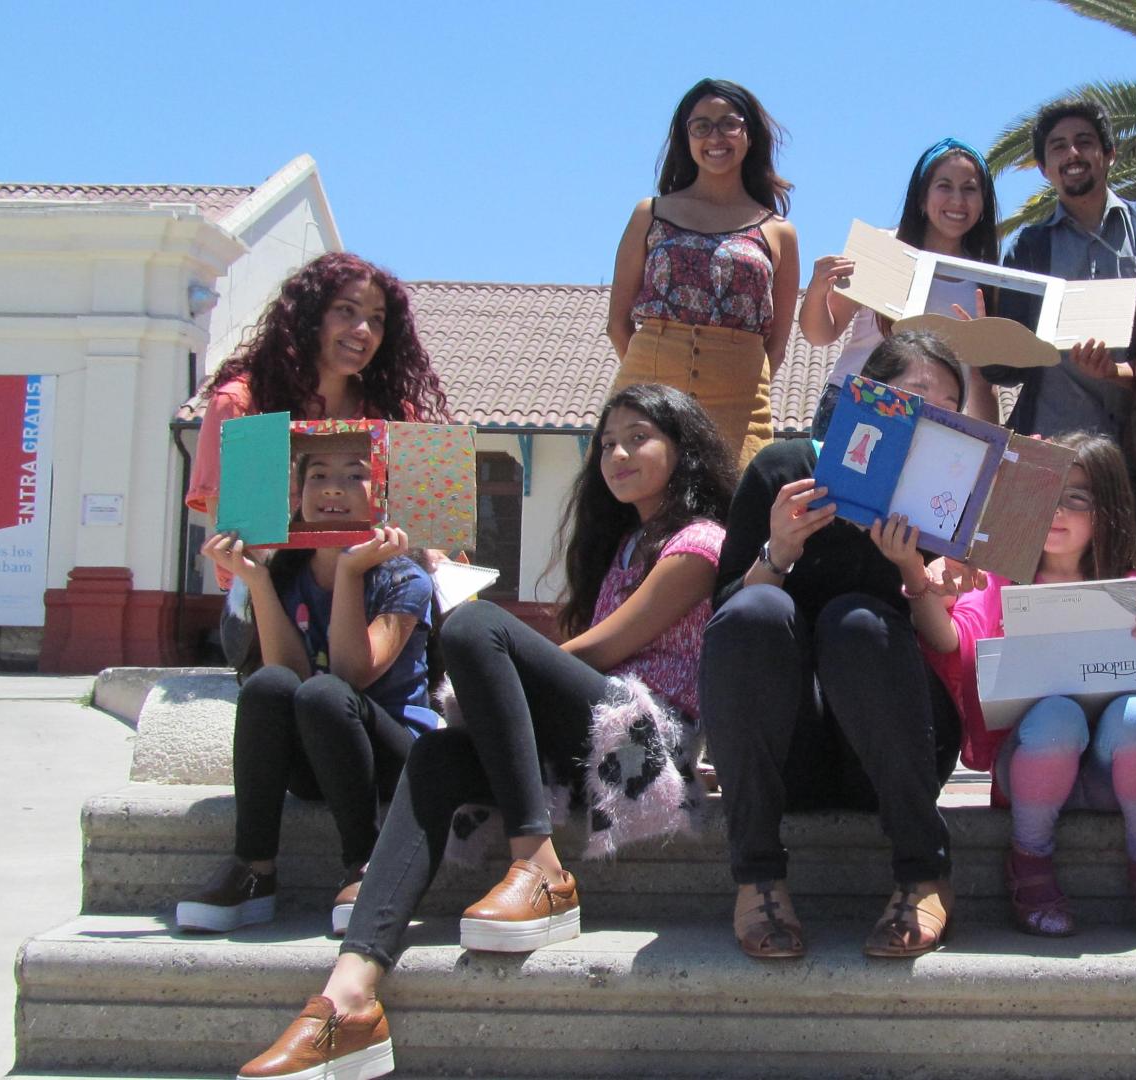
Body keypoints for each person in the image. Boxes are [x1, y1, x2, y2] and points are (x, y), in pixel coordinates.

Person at [233, 384, 734, 1080]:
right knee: (437, 754)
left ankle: (540, 866)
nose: (617, 453)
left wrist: (492, 655)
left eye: (638, 437)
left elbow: (603, 652)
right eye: (607, 441)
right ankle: (348, 1000)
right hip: (596, 738)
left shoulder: (701, 542)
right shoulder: (619, 545)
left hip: (649, 745)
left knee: (473, 625)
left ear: (683, 450)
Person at [700, 332, 966, 961]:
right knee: (758, 608)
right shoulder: (784, 468)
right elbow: (727, 623)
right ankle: (758, 877)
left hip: (896, 743)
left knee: (857, 622)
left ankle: (924, 871)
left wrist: (912, 572)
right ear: (865, 398)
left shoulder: (940, 499)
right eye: (915, 396)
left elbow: (944, 642)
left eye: (948, 404)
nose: (931, 414)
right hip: (789, 749)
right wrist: (779, 551)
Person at [908, 434, 1136, 939]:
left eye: (1076, 497)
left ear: (1107, 508)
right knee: (1058, 716)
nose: (1056, 511)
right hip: (1032, 761)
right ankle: (1029, 860)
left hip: (1114, 769)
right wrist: (926, 589)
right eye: (1045, 495)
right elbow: (954, 646)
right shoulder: (998, 582)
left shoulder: (1135, 590)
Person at [177, 453, 437, 937]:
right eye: (318, 476)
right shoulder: (285, 574)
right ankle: (254, 868)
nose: (333, 489)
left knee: (324, 695)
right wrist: (255, 579)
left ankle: (363, 862)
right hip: (317, 755)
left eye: (354, 475)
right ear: (297, 496)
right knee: (268, 685)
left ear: (380, 493)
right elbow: (287, 674)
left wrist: (349, 572)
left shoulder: (405, 578)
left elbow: (348, 674)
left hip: (390, 759)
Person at [187, 252, 449, 659]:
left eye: (377, 319)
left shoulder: (395, 415)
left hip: (379, 599)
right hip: (270, 602)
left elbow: (432, 531)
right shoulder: (242, 404)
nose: (362, 330)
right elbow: (236, 537)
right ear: (309, 316)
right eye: (346, 310)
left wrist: (428, 547)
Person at [989, 99, 1136, 584]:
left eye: (1084, 142)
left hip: (1135, 453)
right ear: (1043, 166)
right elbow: (1005, 368)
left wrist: (1119, 372)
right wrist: (984, 336)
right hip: (1050, 457)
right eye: (1058, 146)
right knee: (1038, 594)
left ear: (1109, 154)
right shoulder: (1028, 247)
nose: (1071, 153)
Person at [609, 78, 800, 471]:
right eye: (701, 126)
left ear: (750, 134)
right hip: (649, 390)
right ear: (686, 137)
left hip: (740, 401)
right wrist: (656, 374)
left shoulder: (778, 231)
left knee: (736, 520)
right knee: (633, 517)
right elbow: (618, 323)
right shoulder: (650, 213)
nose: (716, 137)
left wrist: (729, 369)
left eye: (729, 124)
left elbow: (777, 346)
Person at [799, 137, 999, 435]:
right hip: (857, 403)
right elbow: (821, 333)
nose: (957, 200)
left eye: (969, 189)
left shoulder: (987, 280)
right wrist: (818, 290)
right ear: (921, 197)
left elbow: (984, 380)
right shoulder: (882, 250)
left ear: (984, 203)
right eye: (944, 186)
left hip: (935, 424)